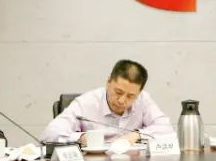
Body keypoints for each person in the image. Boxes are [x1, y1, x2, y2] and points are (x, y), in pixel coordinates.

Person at [41, 60, 173, 144]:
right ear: (108, 82)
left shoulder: (143, 99)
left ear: (139, 92)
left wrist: (137, 135)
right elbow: (49, 134)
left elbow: (166, 129)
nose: (122, 100)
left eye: (130, 96)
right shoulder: (86, 103)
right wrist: (81, 138)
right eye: (118, 92)